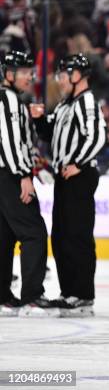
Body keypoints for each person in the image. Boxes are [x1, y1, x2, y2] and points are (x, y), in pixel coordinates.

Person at [31, 53, 107, 317]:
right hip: (65, 176)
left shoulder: (87, 102)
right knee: (61, 236)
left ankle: (83, 296)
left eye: (63, 76)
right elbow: (50, 132)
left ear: (77, 75)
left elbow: (97, 137)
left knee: (77, 235)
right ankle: (69, 292)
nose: (60, 81)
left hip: (79, 176)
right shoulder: (66, 105)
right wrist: (40, 119)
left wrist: (79, 163)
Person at [0, 51, 55, 317]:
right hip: (10, 175)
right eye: (23, 72)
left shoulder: (14, 100)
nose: (29, 76)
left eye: (29, 71)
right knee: (34, 232)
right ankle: (32, 297)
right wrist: (23, 175)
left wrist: (36, 164)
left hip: (6, 174)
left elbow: (19, 143)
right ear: (9, 74)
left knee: (4, 236)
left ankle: (2, 296)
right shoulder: (8, 100)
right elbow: (10, 144)